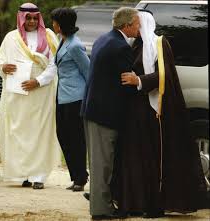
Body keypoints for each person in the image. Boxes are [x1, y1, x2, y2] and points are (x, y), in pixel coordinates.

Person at [111, 10, 207, 218]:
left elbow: (166, 75)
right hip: (135, 111)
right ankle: (135, 202)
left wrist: (139, 81)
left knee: (152, 159)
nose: (134, 27)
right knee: (135, 158)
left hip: (154, 113)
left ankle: (154, 205)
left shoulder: (159, 44)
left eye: (136, 22)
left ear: (143, 23)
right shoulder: (136, 44)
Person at [81, 7, 140, 220]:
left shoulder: (103, 39)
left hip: (93, 109)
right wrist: (139, 82)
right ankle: (100, 211)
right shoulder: (120, 46)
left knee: (99, 163)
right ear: (126, 26)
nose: (139, 27)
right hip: (104, 113)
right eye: (136, 23)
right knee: (102, 165)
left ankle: (102, 206)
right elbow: (126, 82)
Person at [0, 3, 60, 189]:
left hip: (41, 92)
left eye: (34, 18)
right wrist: (2, 67)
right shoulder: (11, 37)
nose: (31, 22)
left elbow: (54, 65)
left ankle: (38, 176)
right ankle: (22, 174)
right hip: (17, 94)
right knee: (18, 131)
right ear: (21, 18)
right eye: (28, 18)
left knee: (39, 132)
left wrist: (38, 81)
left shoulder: (49, 35)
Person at [51, 8, 90, 192]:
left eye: (55, 21)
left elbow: (88, 71)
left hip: (75, 98)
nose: (53, 25)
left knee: (76, 138)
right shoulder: (63, 40)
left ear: (61, 24)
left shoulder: (75, 46)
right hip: (62, 96)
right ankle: (76, 175)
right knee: (63, 135)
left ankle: (81, 178)